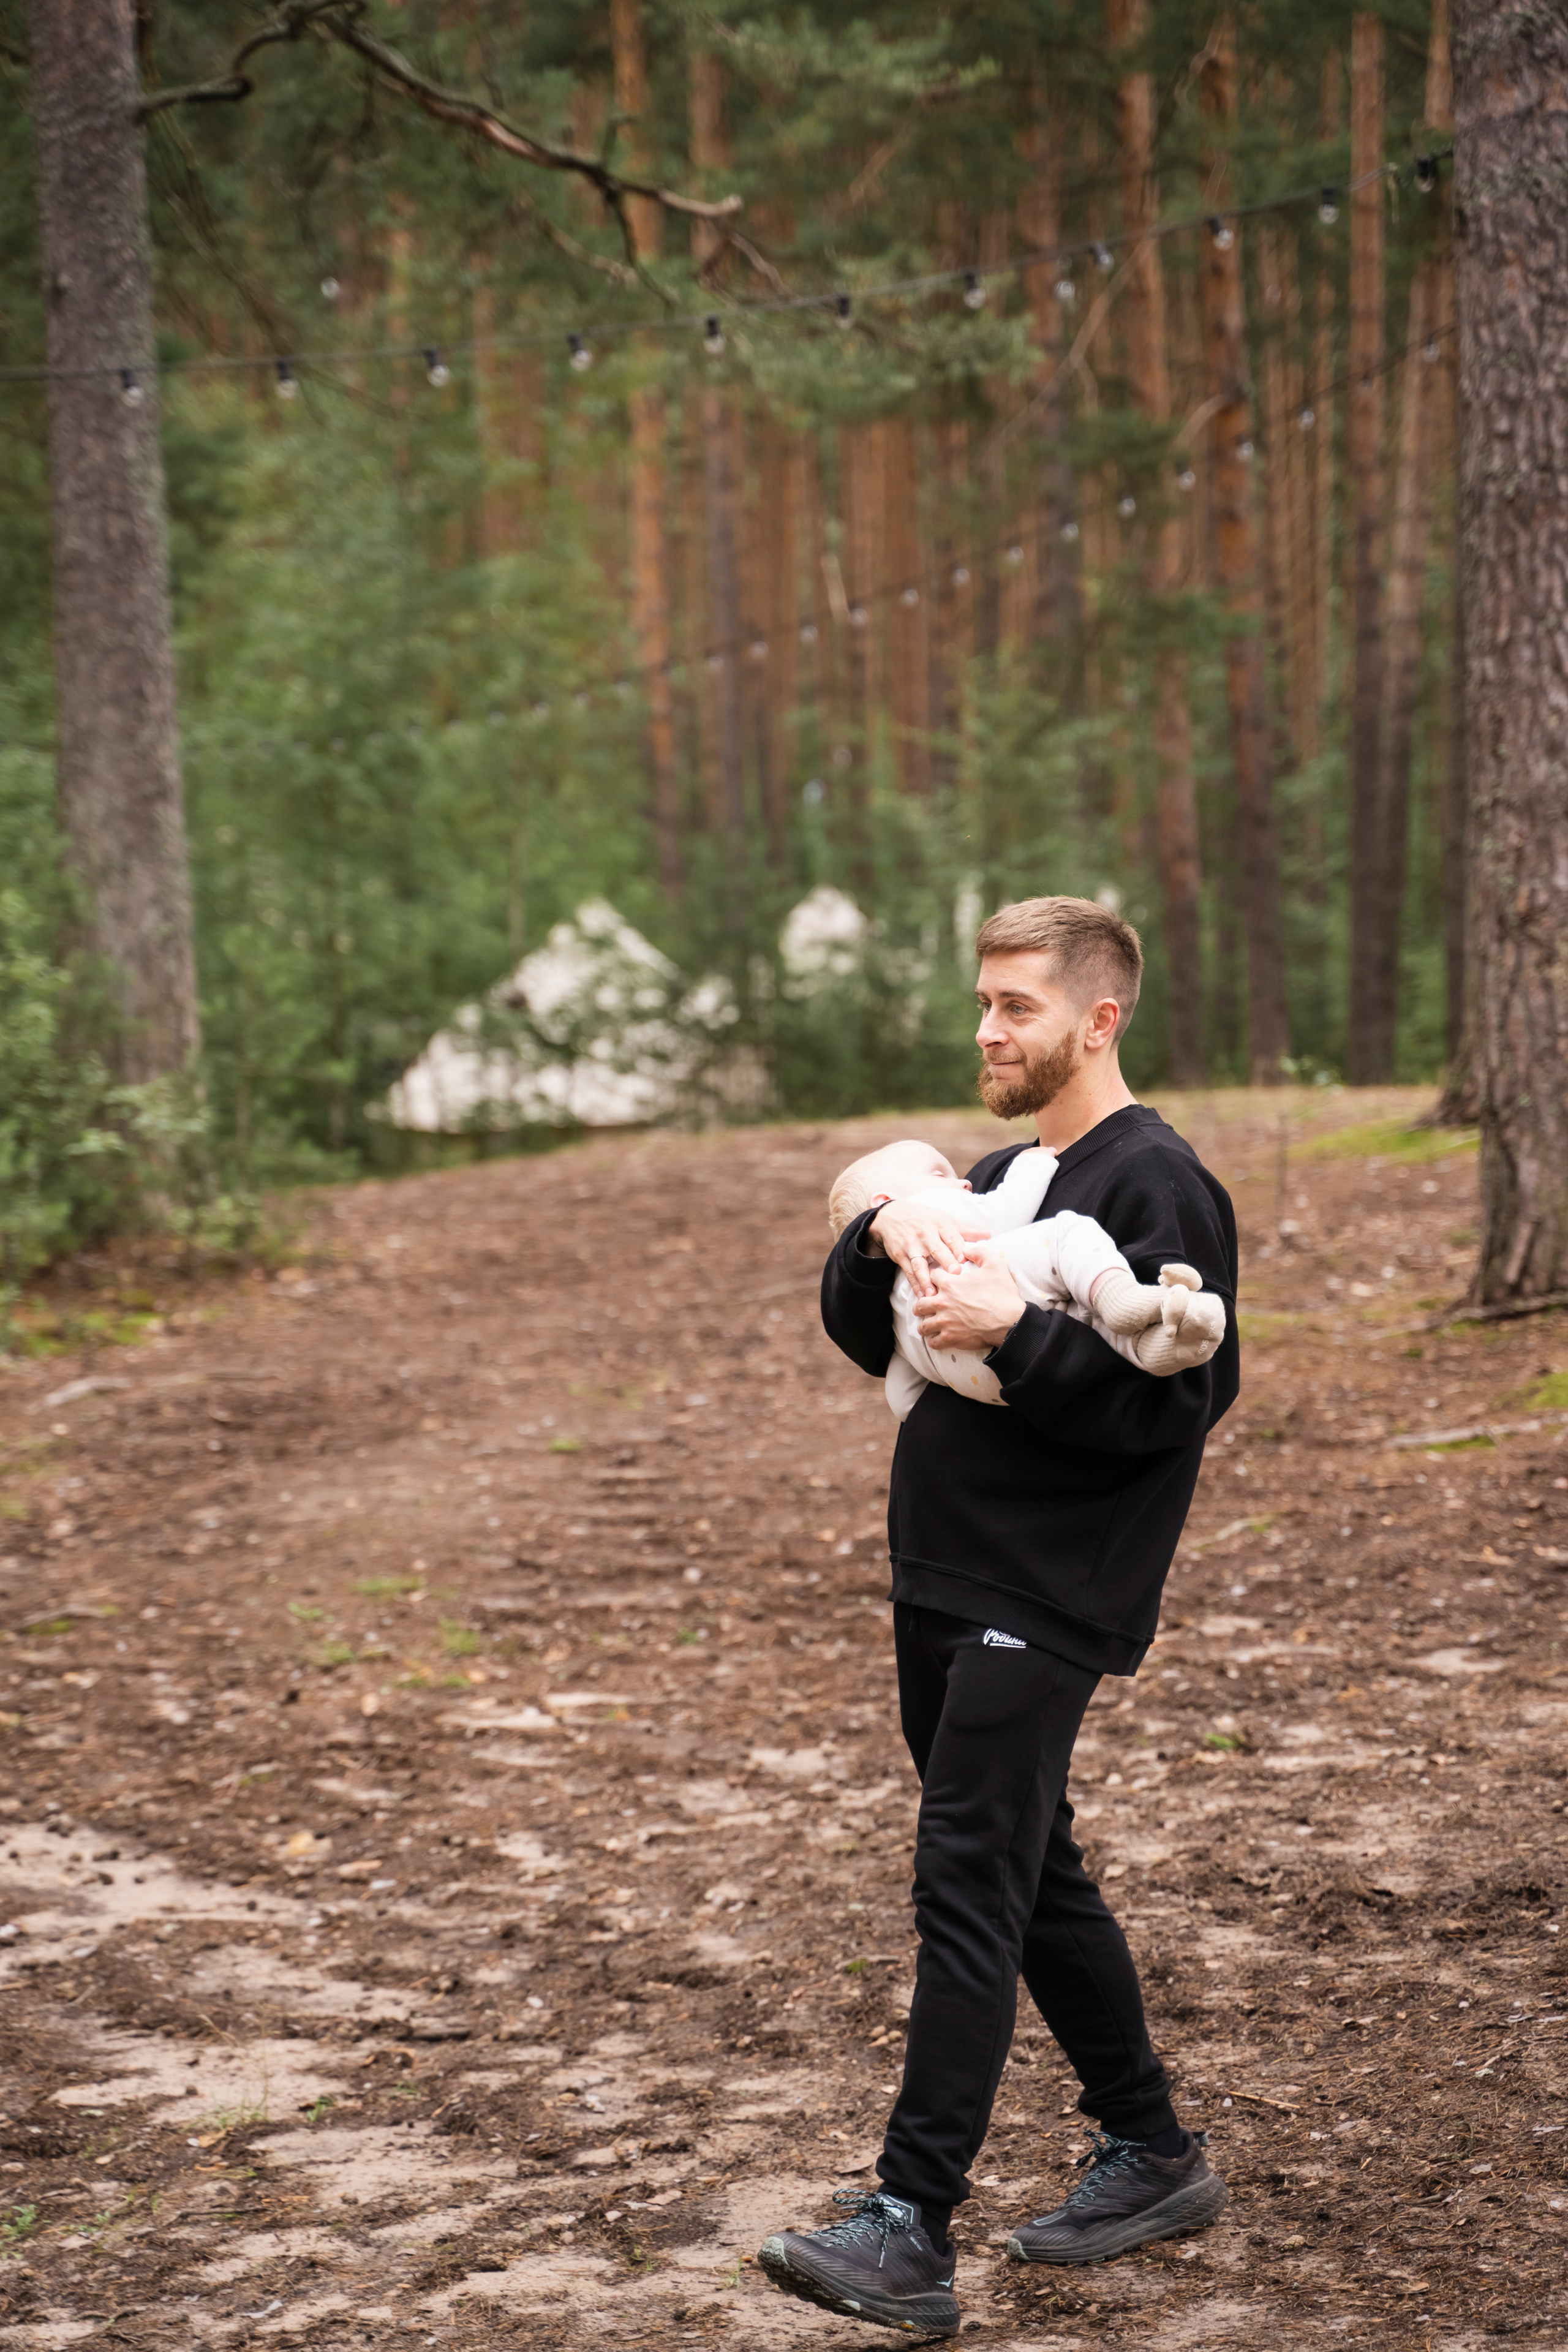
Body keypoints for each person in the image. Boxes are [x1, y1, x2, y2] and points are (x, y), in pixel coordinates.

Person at [758, 896, 1239, 2340]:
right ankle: (1150, 2148)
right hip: (943, 1571)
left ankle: (908, 2220)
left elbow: (1180, 1404)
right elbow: (871, 1334)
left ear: (1097, 1018)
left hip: (1045, 1590)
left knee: (966, 1879)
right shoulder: (1000, 1170)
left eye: (1015, 1005)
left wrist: (1020, 1337)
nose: (986, 1028)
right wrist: (878, 1224)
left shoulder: (1158, 1181)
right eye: (980, 1000)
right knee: (1031, 1875)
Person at [826, 1134, 1226, 1420]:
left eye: (1019, 1009)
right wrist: (1031, 1169)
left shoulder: (897, 1315)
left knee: (1077, 1322)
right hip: (1022, 1370)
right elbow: (1000, 1214)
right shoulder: (926, 1211)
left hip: (987, 1387)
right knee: (1067, 1236)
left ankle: (1155, 1344)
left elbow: (901, 1398)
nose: (963, 1182)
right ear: (884, 1205)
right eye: (938, 1174)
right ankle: (1120, 1298)